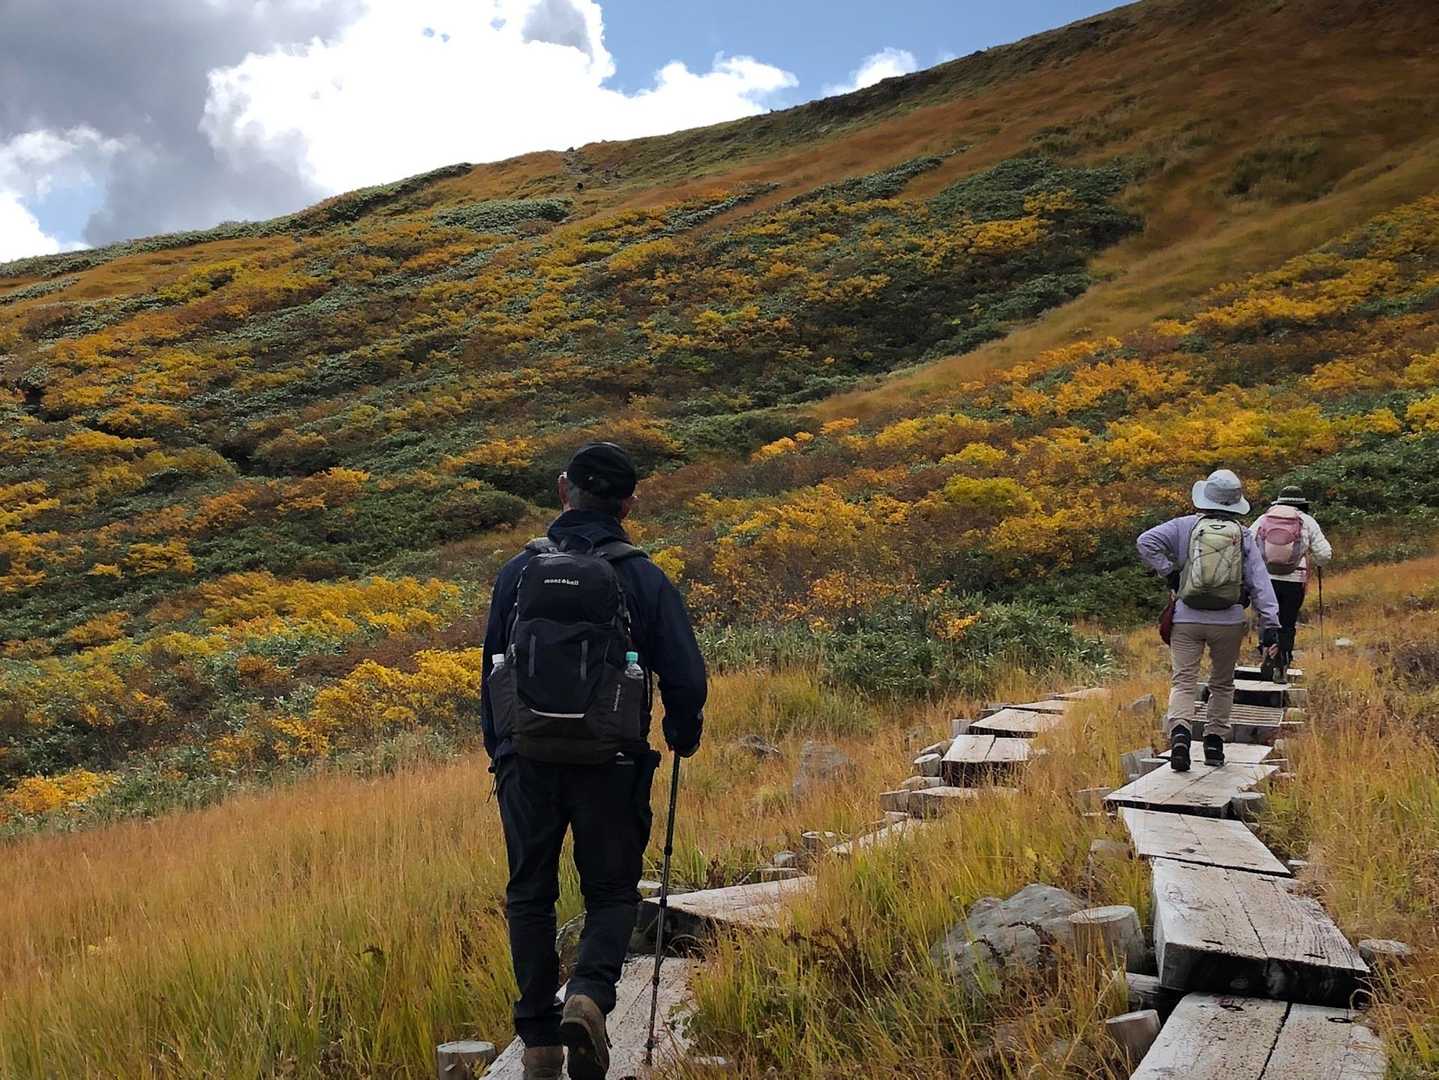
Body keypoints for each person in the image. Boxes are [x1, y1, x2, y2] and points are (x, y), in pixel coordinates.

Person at [481, 442, 707, 1080]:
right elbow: (687, 677)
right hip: (612, 761)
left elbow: (492, 670)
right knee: (610, 891)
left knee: (530, 893)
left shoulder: (519, 572)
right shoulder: (642, 577)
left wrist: (502, 751)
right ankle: (588, 994)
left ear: (564, 490)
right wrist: (681, 733)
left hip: (526, 759)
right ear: (628, 505)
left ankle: (538, 1042)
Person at [1136, 469, 1281, 771]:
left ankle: (1180, 735)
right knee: (1222, 683)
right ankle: (1214, 743)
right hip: (1228, 621)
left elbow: (1145, 541)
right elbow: (1260, 582)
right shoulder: (1243, 534)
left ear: (1205, 497)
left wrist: (1170, 572)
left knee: (1184, 681)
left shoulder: (1183, 526)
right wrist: (1270, 624)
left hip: (1186, 618)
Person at [1250, 485, 1332, 679]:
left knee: (1267, 617)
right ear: (1301, 503)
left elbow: (1247, 543)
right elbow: (1324, 554)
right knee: (1287, 621)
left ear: (1279, 501)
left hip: (1266, 578)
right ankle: (1282, 663)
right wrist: (1316, 560)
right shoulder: (1307, 521)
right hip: (1294, 580)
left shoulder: (1264, 518)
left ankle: (1267, 650)